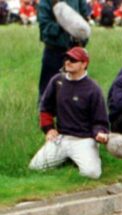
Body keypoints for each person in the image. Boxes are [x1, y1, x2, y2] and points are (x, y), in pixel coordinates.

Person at [30, 47, 109, 179]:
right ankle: (68, 159)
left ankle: (91, 155)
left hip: (84, 139)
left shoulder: (93, 89)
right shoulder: (57, 81)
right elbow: (45, 108)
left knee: (92, 174)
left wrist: (100, 134)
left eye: (73, 60)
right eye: (67, 58)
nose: (68, 62)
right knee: (35, 167)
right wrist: (49, 129)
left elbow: (100, 121)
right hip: (61, 138)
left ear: (84, 64)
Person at [37, 0, 91, 100]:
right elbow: (45, 28)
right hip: (54, 53)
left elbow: (85, 21)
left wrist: (82, 40)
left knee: (78, 95)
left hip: (75, 53)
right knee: (47, 94)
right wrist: (65, 26)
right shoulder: (46, 2)